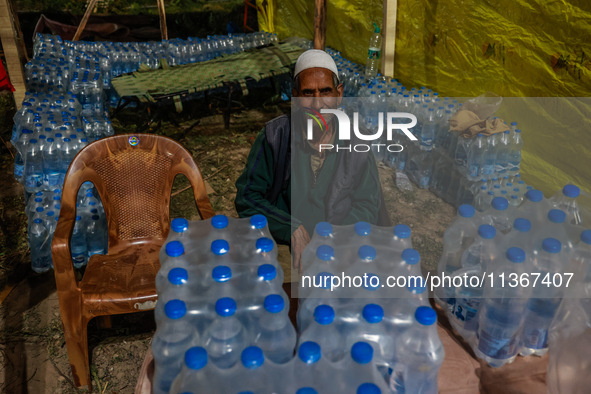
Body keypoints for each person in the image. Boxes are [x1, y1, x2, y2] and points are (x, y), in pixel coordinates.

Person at [235, 49, 390, 272]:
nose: (318, 105)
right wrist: (292, 228)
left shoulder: (357, 142)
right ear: (296, 96)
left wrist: (332, 238)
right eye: (308, 93)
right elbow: (247, 196)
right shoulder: (276, 137)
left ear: (339, 94)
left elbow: (367, 203)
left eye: (325, 91)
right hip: (284, 246)